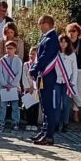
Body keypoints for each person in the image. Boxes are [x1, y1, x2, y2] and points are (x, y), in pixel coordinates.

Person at [30, 15, 61, 145]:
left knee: (48, 106)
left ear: (47, 24)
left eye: (40, 24)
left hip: (48, 75)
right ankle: (44, 131)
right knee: (44, 106)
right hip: (44, 75)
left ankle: (49, 135)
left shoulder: (52, 38)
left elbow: (45, 57)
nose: (39, 27)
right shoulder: (46, 37)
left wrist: (34, 69)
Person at [0, 40, 24, 130]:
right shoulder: (2, 60)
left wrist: (12, 84)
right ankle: (1, 122)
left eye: (10, 48)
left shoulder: (18, 60)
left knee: (15, 106)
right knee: (2, 106)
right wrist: (4, 84)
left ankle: (15, 122)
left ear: (15, 49)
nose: (8, 50)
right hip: (4, 87)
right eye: (7, 48)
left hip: (14, 87)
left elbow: (19, 74)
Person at [66, 24, 81, 123]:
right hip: (69, 71)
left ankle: (75, 112)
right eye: (70, 31)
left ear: (78, 32)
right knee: (72, 91)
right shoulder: (65, 43)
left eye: (74, 31)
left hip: (80, 70)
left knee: (78, 91)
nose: (72, 33)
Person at [56, 34, 77, 133]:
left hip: (67, 82)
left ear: (68, 43)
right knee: (56, 103)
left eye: (65, 42)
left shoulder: (72, 54)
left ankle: (65, 123)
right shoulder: (55, 53)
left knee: (65, 103)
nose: (63, 44)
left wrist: (72, 82)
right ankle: (55, 123)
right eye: (61, 42)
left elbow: (75, 70)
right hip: (56, 81)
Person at [22, 46, 39, 131]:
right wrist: (28, 87)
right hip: (28, 89)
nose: (31, 56)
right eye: (30, 54)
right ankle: (28, 122)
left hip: (36, 89)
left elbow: (39, 77)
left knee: (35, 107)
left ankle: (34, 123)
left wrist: (34, 87)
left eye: (34, 54)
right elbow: (24, 77)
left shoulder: (39, 65)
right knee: (28, 107)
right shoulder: (26, 64)